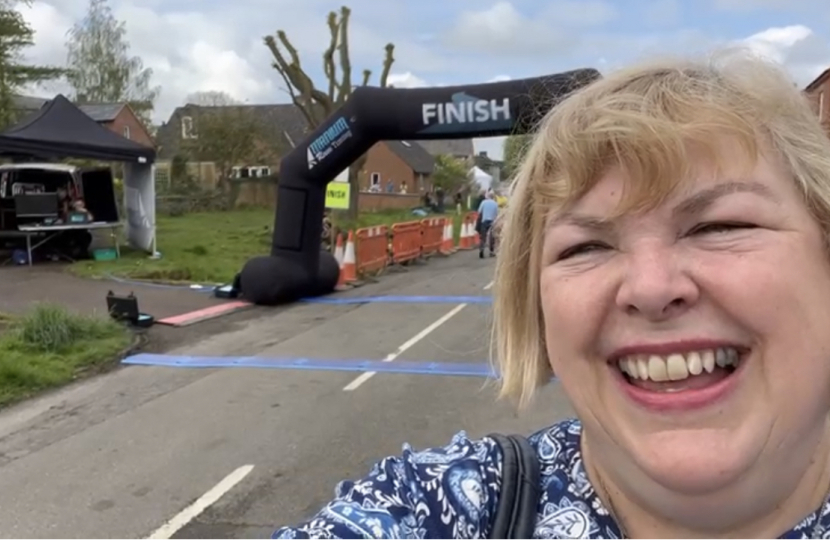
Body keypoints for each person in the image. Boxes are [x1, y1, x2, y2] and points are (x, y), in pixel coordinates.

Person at [273, 50, 830, 539]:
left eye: (718, 227)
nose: (651, 288)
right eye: (585, 246)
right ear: (534, 305)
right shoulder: (442, 509)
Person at [477, 191, 498, 258]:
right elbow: (496, 214)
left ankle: (481, 250)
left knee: (483, 236)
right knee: (492, 237)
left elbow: (479, 211)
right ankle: (491, 251)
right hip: (492, 221)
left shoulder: (483, 202)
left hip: (484, 220)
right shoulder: (495, 204)